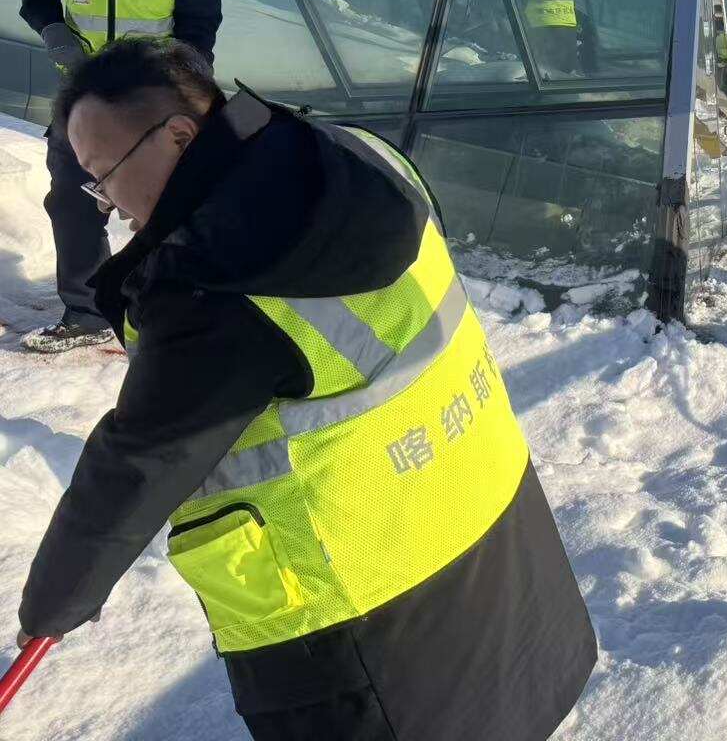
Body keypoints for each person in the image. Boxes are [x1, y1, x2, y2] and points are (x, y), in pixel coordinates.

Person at [15, 39, 597, 740]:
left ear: (177, 134)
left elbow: (136, 465)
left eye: (103, 174)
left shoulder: (219, 284)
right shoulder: (348, 155)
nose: (105, 204)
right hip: (491, 525)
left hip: (363, 618)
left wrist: (50, 608)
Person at [14, 0, 222, 353]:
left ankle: (173, 303)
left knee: (167, 205)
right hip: (81, 100)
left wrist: (170, 87)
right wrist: (53, 31)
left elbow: (199, 32)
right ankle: (84, 311)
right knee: (72, 199)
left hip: (150, 106)